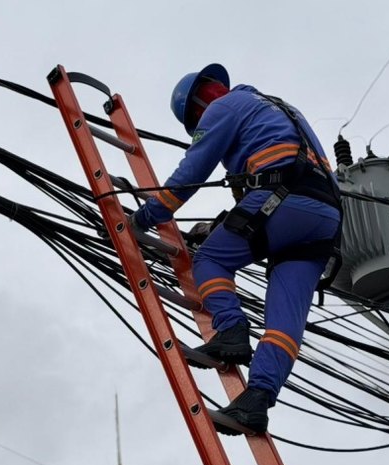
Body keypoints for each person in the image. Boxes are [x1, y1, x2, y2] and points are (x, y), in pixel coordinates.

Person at [130, 64, 342, 435]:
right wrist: (216, 228)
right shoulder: (279, 109)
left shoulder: (222, 110)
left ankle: (231, 331)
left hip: (283, 198)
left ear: (198, 106)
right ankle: (257, 400)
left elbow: (191, 173)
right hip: (324, 218)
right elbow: (257, 198)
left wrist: (145, 217)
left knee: (211, 258)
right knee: (283, 319)